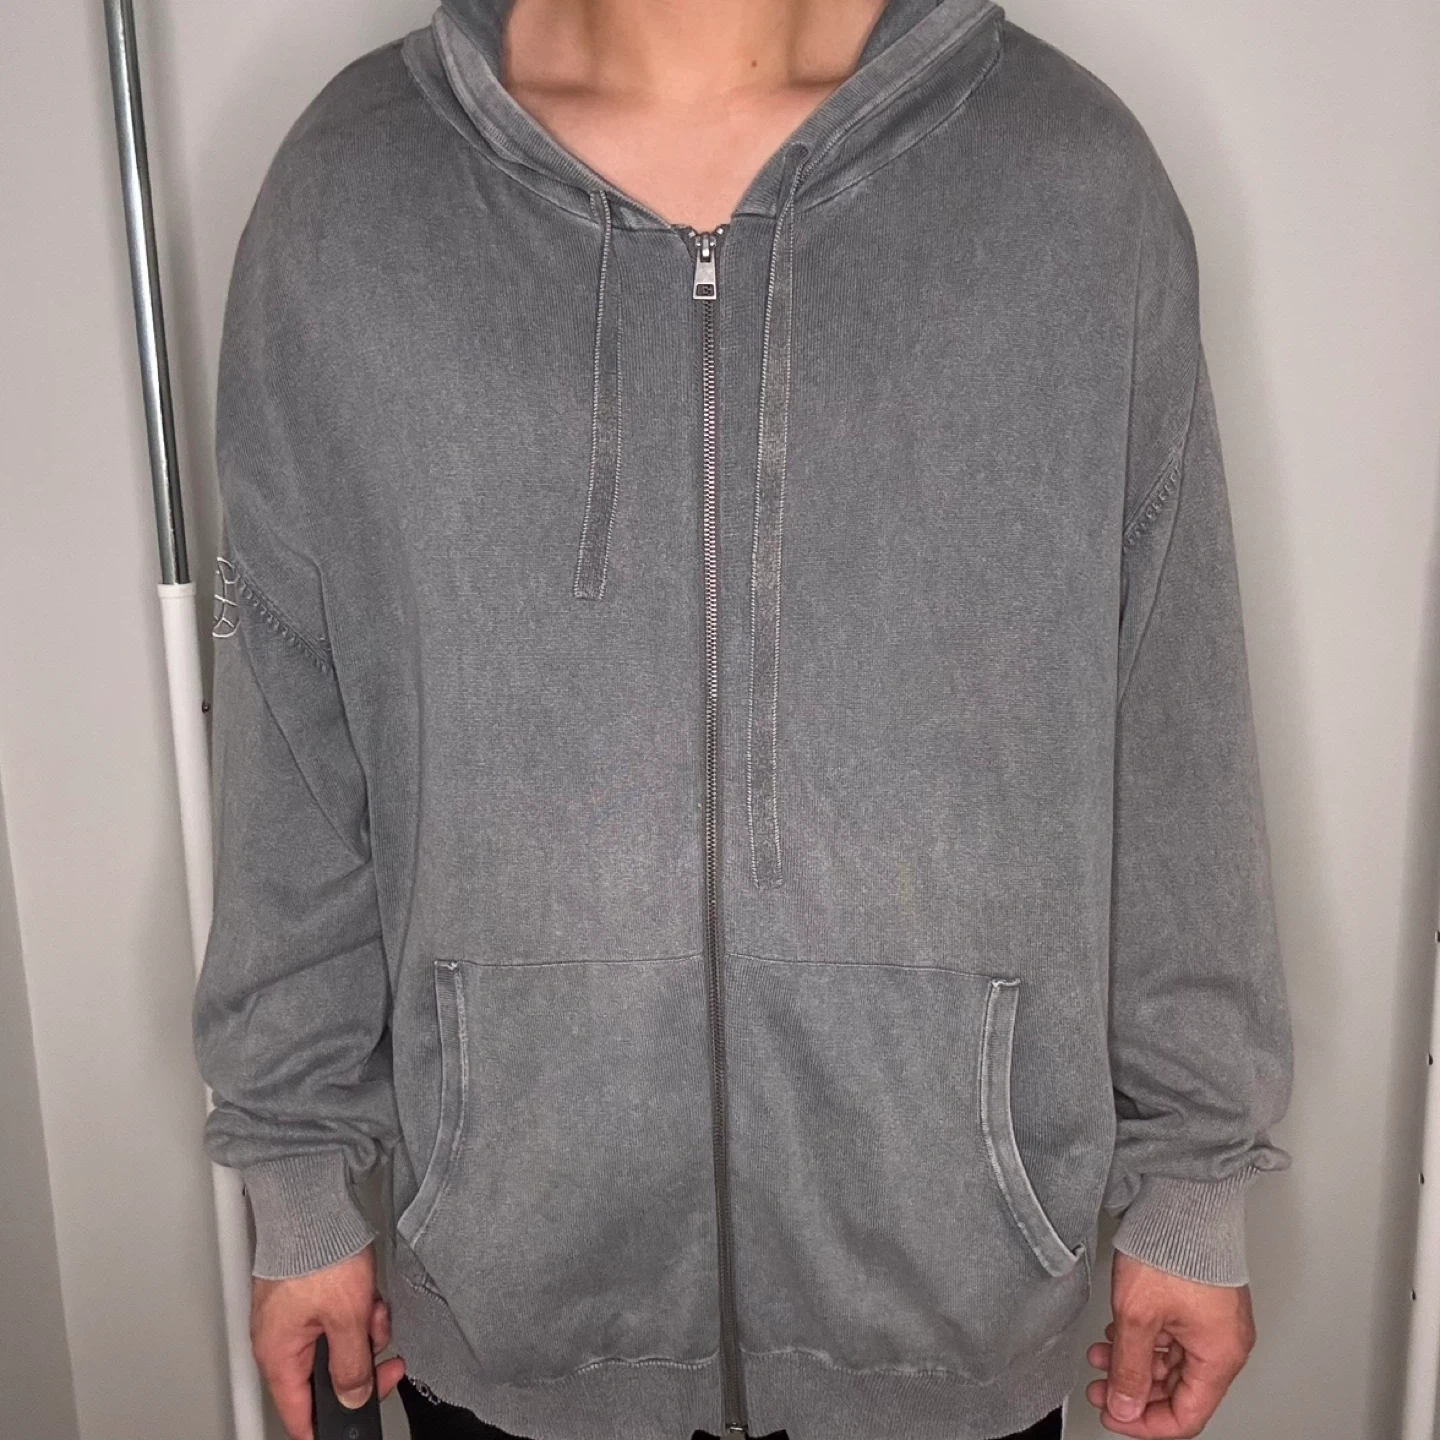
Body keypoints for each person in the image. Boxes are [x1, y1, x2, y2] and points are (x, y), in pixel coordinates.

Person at [193, 0, 1296, 1437]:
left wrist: (1195, 1180)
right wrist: (296, 1177)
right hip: (518, 1298)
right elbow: (292, 733)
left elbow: (1172, 718)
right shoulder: (350, 202)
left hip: (948, 1306)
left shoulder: (1070, 187)